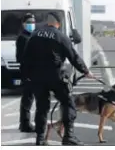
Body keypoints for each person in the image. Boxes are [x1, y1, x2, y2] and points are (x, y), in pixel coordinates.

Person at [22, 12, 94, 145]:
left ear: (47, 22)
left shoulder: (34, 35)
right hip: (56, 76)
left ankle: (40, 138)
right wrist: (85, 71)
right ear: (58, 24)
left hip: (37, 78)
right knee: (68, 103)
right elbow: (73, 57)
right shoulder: (61, 37)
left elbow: (26, 59)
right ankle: (68, 136)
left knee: (41, 107)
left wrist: (27, 77)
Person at [16, 13, 36, 133]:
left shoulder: (32, 35)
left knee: (29, 99)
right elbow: (20, 58)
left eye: (33, 22)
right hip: (28, 72)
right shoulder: (23, 37)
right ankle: (25, 124)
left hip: (33, 72)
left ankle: (24, 123)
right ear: (24, 24)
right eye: (29, 22)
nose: (31, 24)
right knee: (27, 100)